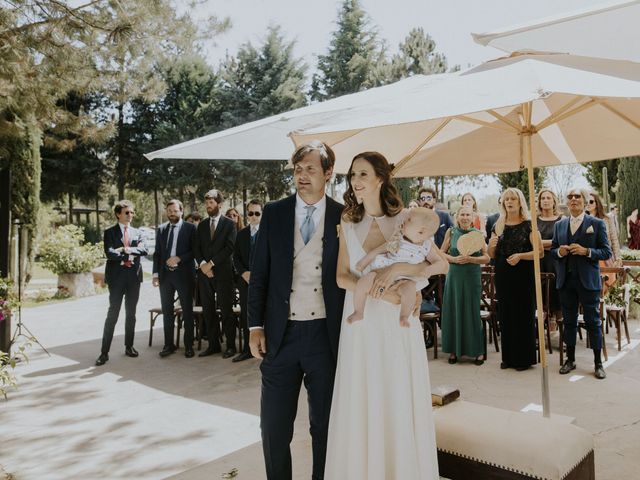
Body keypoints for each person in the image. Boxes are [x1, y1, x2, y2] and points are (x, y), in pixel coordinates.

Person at [327, 151, 447, 479]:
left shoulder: (407, 218)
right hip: (361, 321)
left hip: (398, 322)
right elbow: (341, 276)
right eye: (352, 175)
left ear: (381, 178)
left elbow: (441, 263)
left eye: (363, 174)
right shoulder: (348, 221)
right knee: (363, 398)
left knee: (396, 395)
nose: (355, 181)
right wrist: (377, 290)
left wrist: (400, 269)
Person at [247, 141, 345, 480]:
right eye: (298, 169)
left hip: (325, 336)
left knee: (325, 426)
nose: (302, 176)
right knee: (273, 428)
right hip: (280, 335)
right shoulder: (274, 212)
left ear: (328, 173)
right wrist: (254, 326)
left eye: (310, 169)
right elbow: (258, 274)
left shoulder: (343, 214)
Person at [552, 188, 612, 380]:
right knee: (568, 322)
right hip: (566, 281)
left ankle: (598, 363)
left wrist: (587, 252)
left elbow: (606, 252)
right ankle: (570, 360)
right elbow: (553, 250)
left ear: (585, 202)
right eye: (570, 197)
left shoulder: (597, 223)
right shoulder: (559, 225)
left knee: (593, 322)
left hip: (588, 281)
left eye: (578, 196)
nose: (574, 199)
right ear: (567, 203)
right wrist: (559, 252)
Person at [347, 207, 440, 327]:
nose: (404, 220)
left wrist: (429, 269)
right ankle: (358, 311)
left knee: (410, 290)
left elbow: (439, 262)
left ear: (421, 231)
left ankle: (404, 316)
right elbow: (380, 249)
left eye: (409, 220)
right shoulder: (399, 238)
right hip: (382, 272)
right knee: (364, 281)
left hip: (406, 280)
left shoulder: (427, 247)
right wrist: (365, 261)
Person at [488, 188, 542, 371]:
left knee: (523, 314)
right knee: (506, 315)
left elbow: (540, 252)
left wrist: (520, 256)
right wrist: (490, 245)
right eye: (506, 199)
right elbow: (491, 255)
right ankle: (508, 357)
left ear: (520, 202)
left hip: (523, 275)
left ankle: (524, 359)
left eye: (513, 199)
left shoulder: (529, 225)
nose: (509, 201)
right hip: (503, 274)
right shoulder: (498, 224)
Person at [96, 200, 148, 366]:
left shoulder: (138, 232)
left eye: (132, 212)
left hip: (133, 278)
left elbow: (144, 250)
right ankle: (104, 353)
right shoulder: (110, 232)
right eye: (127, 212)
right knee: (113, 314)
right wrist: (130, 255)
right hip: (117, 279)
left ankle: (129, 346)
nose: (130, 215)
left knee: (131, 314)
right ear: (118, 214)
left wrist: (126, 250)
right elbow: (110, 253)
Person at [441, 205, 490, 365]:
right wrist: (454, 259)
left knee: (471, 311)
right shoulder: (451, 232)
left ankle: (477, 352)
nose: (465, 217)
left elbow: (487, 257)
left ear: (472, 216)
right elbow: (441, 253)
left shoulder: (477, 234)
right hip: (454, 275)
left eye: (468, 214)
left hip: (471, 276)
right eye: (462, 214)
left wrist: (472, 259)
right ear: (457, 216)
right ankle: (454, 350)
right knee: (454, 310)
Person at [194, 189, 238, 358]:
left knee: (226, 310)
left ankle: (231, 346)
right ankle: (213, 345)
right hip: (205, 275)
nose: (208, 206)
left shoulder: (229, 224)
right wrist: (204, 265)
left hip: (223, 273)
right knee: (208, 310)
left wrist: (211, 264)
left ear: (219, 204)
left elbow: (229, 248)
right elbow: (196, 247)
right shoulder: (203, 225)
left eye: (211, 203)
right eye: (206, 203)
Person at [152, 199, 197, 358]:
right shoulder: (162, 229)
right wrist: (155, 274)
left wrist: (179, 258)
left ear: (181, 211)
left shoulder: (191, 228)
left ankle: (189, 346)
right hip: (165, 276)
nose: (172, 213)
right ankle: (168, 345)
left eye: (175, 210)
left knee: (187, 311)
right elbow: (157, 253)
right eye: (169, 211)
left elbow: (195, 251)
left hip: (184, 275)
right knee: (167, 311)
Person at [232, 199, 262, 362]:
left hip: (263, 282)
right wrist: (243, 273)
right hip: (244, 281)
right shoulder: (241, 234)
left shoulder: (268, 233)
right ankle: (246, 349)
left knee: (264, 314)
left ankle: (264, 348)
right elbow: (235, 257)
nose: (254, 216)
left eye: (257, 213)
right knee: (245, 314)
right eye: (251, 213)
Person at [537, 189, 563, 326]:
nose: (545, 200)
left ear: (554, 201)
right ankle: (541, 330)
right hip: (539, 261)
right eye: (543, 198)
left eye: (548, 198)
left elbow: (562, 242)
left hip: (556, 261)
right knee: (540, 293)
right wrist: (553, 243)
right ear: (540, 202)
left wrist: (541, 243)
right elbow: (532, 242)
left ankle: (561, 333)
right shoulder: (534, 220)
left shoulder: (562, 220)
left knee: (556, 292)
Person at [586, 192, 621, 267]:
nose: (588, 204)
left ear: (597, 203)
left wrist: (617, 257)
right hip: (589, 260)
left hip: (606, 258)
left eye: (591, 201)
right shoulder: (583, 220)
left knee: (609, 278)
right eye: (586, 202)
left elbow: (614, 239)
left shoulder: (607, 219)